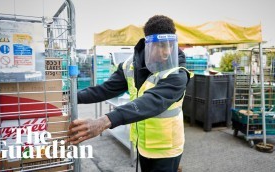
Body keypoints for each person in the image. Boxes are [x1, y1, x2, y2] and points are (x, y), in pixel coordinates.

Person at [67, 15, 192, 172]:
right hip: (143, 143)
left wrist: (104, 121)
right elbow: (104, 89)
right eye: (161, 45)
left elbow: (151, 101)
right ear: (148, 43)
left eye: (170, 45)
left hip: (166, 148)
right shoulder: (130, 66)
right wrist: (69, 97)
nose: (167, 51)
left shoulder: (177, 73)